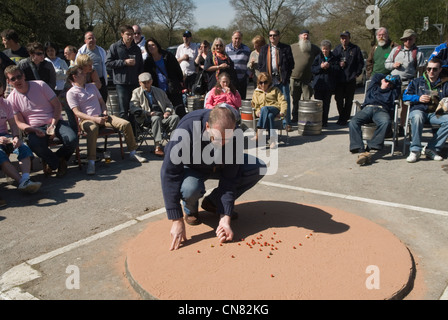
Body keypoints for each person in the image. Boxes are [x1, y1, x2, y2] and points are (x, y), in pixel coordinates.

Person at [161, 105, 266, 250]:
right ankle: (190, 209)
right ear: (207, 126)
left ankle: (214, 203)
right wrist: (176, 219)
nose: (222, 144)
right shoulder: (187, 129)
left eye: (226, 140)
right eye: (217, 138)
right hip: (192, 166)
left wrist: (225, 217)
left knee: (257, 167)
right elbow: (169, 173)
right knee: (191, 188)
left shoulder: (235, 135)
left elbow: (230, 179)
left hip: (219, 165)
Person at [66, 66, 147, 175]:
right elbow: (77, 112)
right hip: (87, 120)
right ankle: (91, 162)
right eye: (82, 73)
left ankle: (133, 152)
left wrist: (104, 112)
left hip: (102, 116)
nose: (85, 75)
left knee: (125, 124)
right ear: (74, 77)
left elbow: (102, 103)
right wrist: (95, 119)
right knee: (93, 128)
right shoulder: (71, 93)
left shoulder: (92, 87)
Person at [6, 65, 78, 177]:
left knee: (72, 139)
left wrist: (53, 125)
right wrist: (32, 129)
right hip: (35, 127)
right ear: (8, 82)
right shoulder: (11, 99)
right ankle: (58, 163)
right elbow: (19, 122)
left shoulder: (40, 85)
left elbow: (57, 106)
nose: (17, 80)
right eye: (13, 79)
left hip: (55, 121)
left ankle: (55, 160)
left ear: (24, 76)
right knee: (34, 145)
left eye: (19, 77)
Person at [349, 73, 401, 165]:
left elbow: (398, 80)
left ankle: (370, 148)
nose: (388, 84)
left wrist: (390, 79)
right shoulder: (373, 87)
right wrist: (384, 79)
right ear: (382, 81)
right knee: (353, 122)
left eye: (390, 83)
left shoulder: (392, 92)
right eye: (386, 82)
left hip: (382, 110)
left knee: (385, 122)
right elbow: (376, 75)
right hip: (367, 108)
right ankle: (360, 149)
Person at [403, 58, 448, 163]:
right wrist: (418, 98)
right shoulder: (416, 82)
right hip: (419, 110)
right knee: (417, 117)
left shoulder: (445, 83)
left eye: (435, 69)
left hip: (436, 113)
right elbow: (404, 97)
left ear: (440, 70)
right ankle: (415, 150)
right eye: (429, 69)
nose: (431, 72)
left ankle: (431, 149)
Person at [0, 80, 41, 194]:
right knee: (0, 154)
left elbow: (13, 124)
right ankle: (21, 182)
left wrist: (16, 136)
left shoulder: (5, 103)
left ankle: (25, 178)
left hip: (5, 135)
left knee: (23, 147)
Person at [129, 72, 180, 157]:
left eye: (148, 82)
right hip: (146, 118)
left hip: (162, 116)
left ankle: (173, 143)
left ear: (151, 81)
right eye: (144, 82)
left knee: (175, 117)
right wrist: (147, 113)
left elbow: (169, 104)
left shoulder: (159, 91)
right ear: (139, 83)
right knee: (155, 118)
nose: (146, 84)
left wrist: (167, 111)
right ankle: (157, 146)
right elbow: (133, 107)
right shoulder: (136, 92)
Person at [385, 29, 426, 132]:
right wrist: (393, 65)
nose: (408, 41)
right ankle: (389, 126)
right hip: (393, 82)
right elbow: (386, 64)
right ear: (403, 40)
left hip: (408, 82)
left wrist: (418, 84)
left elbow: (421, 70)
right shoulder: (396, 50)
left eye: (410, 39)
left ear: (414, 39)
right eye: (406, 39)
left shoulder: (418, 53)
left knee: (405, 105)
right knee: (391, 104)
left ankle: (402, 127)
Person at [258, 29, 294, 131]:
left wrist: (286, 76)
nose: (272, 37)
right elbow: (260, 64)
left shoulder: (286, 48)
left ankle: (286, 123)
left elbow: (291, 64)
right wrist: (264, 77)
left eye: (274, 35)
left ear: (278, 36)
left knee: (285, 100)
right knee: (270, 101)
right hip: (269, 80)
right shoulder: (264, 49)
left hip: (282, 79)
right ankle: (272, 123)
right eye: (270, 36)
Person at [106, 25, 144, 122]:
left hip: (134, 82)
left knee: (134, 109)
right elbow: (108, 63)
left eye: (132, 34)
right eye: (128, 34)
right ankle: (125, 133)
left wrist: (140, 79)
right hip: (121, 83)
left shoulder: (136, 49)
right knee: (123, 110)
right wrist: (124, 62)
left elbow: (140, 66)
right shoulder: (115, 47)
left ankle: (134, 134)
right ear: (122, 34)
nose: (130, 37)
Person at [144, 37, 185, 116]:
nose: (151, 47)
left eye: (153, 45)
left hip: (172, 85)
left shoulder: (167, 55)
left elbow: (177, 69)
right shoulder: (148, 61)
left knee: (178, 108)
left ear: (157, 45)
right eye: (148, 46)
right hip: (158, 88)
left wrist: (180, 81)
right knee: (164, 109)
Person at [333, 31, 365, 126]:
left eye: (346, 38)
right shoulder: (337, 49)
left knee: (348, 100)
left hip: (350, 79)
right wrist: (338, 64)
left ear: (349, 38)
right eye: (342, 38)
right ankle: (341, 116)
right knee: (338, 99)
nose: (344, 40)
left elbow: (360, 63)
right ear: (340, 39)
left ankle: (345, 118)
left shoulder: (355, 49)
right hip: (339, 79)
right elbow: (333, 62)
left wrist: (357, 73)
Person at [290, 30, 321, 124]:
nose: (306, 37)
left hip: (307, 79)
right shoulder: (292, 47)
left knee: (307, 100)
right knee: (295, 100)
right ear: (300, 36)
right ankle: (295, 117)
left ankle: (306, 118)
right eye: (304, 35)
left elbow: (320, 59)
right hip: (294, 78)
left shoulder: (314, 48)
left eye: (307, 35)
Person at [251, 72, 287, 149]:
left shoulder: (275, 90)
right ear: (258, 83)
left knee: (264, 108)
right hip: (265, 113)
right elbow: (255, 105)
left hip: (275, 108)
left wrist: (282, 112)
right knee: (269, 116)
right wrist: (257, 112)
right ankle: (273, 141)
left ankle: (259, 132)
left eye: (265, 82)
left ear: (269, 82)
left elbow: (283, 101)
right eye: (261, 82)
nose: (263, 85)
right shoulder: (256, 92)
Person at [311, 40, 340, 127]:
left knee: (326, 104)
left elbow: (337, 70)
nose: (324, 51)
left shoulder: (334, 58)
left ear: (329, 49)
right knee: (318, 105)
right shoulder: (318, 57)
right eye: (323, 49)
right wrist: (321, 67)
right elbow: (313, 69)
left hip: (328, 85)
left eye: (326, 49)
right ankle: (318, 121)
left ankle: (324, 121)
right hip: (318, 85)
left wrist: (329, 67)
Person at [77, 31, 109, 102]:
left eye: (93, 38)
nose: (92, 40)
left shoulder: (101, 50)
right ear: (85, 41)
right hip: (87, 80)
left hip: (101, 79)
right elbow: (77, 66)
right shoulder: (81, 52)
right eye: (89, 38)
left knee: (103, 99)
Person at [225, 30, 251, 100]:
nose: (237, 40)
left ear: (241, 39)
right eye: (235, 38)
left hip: (242, 79)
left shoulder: (247, 49)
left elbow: (250, 63)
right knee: (231, 99)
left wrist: (248, 74)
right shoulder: (226, 49)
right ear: (232, 38)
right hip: (230, 80)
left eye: (239, 38)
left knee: (241, 100)